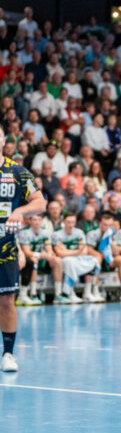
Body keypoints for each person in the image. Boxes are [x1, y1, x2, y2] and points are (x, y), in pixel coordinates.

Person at [0, 125, 46, 372]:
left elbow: (40, 203)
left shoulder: (17, 172)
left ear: (4, 140)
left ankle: (8, 353)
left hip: (5, 248)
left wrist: (20, 210)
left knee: (6, 300)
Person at [52, 213, 101, 304]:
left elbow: (83, 251)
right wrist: (76, 252)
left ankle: (87, 292)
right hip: (64, 260)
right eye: (68, 222)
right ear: (63, 222)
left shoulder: (79, 233)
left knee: (94, 261)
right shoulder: (57, 234)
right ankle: (69, 293)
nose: (71, 225)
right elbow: (59, 253)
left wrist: (67, 251)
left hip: (78, 258)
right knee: (70, 262)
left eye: (73, 222)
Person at [18, 214, 63, 306]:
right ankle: (33, 294)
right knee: (33, 260)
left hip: (42, 257)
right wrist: (44, 255)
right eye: (34, 219)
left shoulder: (45, 233)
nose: (37, 222)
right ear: (30, 221)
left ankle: (58, 294)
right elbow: (26, 252)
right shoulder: (25, 232)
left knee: (57, 260)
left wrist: (50, 256)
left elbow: (49, 248)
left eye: (39, 220)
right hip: (30, 257)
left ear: (42, 221)